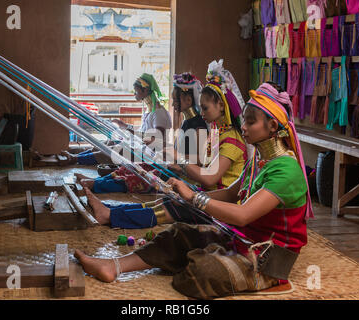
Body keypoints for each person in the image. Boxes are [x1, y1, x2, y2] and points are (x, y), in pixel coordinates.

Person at [74, 81, 314, 299]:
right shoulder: (260, 161)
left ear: (272, 126)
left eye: (251, 121)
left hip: (266, 260)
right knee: (177, 233)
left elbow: (243, 214)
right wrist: (186, 197)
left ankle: (208, 256)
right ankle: (113, 266)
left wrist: (195, 198)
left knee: (199, 272)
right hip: (242, 240)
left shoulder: (286, 171)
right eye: (244, 120)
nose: (244, 126)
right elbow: (231, 194)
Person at [79, 62, 249, 228]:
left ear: (221, 105)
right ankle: (111, 210)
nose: (202, 112)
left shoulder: (230, 139)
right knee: (163, 194)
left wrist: (179, 161)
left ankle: (109, 212)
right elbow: (204, 164)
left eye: (205, 108)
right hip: (205, 192)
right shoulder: (216, 133)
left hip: (217, 199)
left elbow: (209, 176)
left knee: (170, 204)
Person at [60, 73, 172, 166]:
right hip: (140, 146)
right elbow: (144, 130)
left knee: (116, 149)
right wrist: (125, 126)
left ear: (146, 90)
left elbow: (157, 140)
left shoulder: (159, 113)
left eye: (136, 91)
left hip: (150, 154)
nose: (134, 94)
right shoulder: (150, 111)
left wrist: (130, 133)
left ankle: (74, 159)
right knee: (109, 142)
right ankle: (75, 157)